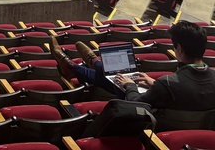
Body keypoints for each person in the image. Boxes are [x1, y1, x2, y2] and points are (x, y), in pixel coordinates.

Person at [51, 20, 215, 104]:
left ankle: (86, 63)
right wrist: (155, 84)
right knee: (111, 78)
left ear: (179, 48)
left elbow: (135, 103)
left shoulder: (168, 83)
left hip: (154, 124)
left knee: (117, 80)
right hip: (189, 131)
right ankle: (79, 65)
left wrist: (130, 85)